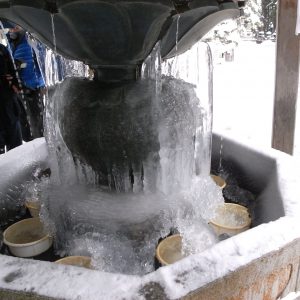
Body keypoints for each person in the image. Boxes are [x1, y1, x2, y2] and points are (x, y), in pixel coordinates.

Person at [8, 25, 46, 139]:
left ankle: (38, 140)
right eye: (11, 28)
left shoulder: (29, 42)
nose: (12, 30)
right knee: (24, 118)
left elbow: (40, 64)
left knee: (36, 119)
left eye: (15, 27)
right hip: (20, 88)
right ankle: (30, 142)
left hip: (32, 87)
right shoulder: (12, 44)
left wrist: (41, 83)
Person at [0, 43, 22, 154]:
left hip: (9, 105)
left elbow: (12, 70)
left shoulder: (2, 49)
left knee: (16, 149)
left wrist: (15, 82)